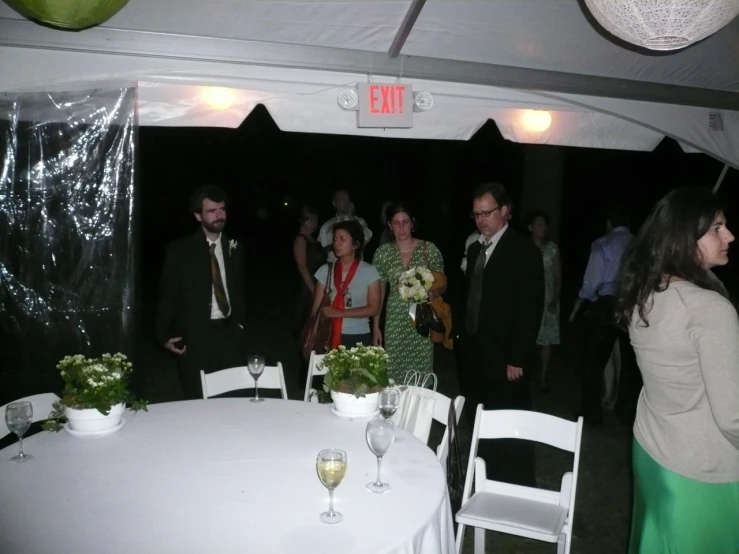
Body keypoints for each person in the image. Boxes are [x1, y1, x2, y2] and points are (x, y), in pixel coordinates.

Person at [616, 187, 739, 554]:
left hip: (653, 450)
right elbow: (733, 417)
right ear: (684, 238)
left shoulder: (647, 291)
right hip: (700, 470)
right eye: (716, 228)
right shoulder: (709, 310)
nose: (730, 235)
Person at [457, 183, 544, 487]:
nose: (481, 219)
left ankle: (515, 481)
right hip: (474, 350)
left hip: (507, 356)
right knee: (478, 414)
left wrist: (518, 357)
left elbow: (531, 309)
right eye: (476, 214)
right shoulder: (474, 248)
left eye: (487, 213)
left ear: (505, 211)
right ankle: (484, 475)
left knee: (510, 418)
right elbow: (472, 298)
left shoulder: (525, 251)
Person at [155, 185, 247, 399]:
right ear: (198, 215)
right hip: (196, 338)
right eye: (212, 211)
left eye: (222, 209)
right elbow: (168, 295)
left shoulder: (235, 247)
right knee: (199, 401)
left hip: (230, 334)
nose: (219, 215)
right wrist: (163, 335)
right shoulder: (180, 250)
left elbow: (239, 289)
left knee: (236, 398)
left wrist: (240, 324)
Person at [570, 205, 634, 426]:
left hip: (607, 302)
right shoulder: (639, 245)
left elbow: (592, 280)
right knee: (629, 361)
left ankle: (591, 413)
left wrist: (581, 300)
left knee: (594, 360)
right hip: (632, 302)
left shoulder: (602, 244)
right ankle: (626, 411)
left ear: (609, 223)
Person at [372, 202, 445, 382]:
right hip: (395, 319)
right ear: (390, 225)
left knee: (421, 370)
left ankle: (419, 408)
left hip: (421, 316)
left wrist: (434, 293)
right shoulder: (382, 254)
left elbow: (443, 282)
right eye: (396, 223)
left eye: (405, 222)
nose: (401, 227)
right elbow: (379, 292)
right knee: (393, 371)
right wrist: (376, 326)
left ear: (412, 223)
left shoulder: (429, 249)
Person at [311, 220, 381, 348]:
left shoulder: (369, 271)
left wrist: (340, 313)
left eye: (342, 239)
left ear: (355, 245)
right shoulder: (325, 271)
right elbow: (315, 309)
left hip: (359, 334)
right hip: (328, 334)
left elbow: (374, 308)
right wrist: (313, 332)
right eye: (335, 239)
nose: (336, 243)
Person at [528, 211, 561, 391]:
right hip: (528, 298)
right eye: (538, 224)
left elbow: (557, 276)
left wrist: (555, 298)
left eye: (544, 224)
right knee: (527, 337)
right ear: (531, 227)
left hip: (547, 299)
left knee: (546, 341)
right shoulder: (524, 247)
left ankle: (542, 376)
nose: (542, 228)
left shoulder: (552, 249)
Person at [292, 205, 326, 336]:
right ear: (302, 221)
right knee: (305, 325)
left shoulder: (314, 240)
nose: (313, 224)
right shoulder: (301, 239)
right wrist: (313, 290)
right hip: (306, 287)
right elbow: (302, 267)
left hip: (317, 284)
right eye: (309, 220)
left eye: (315, 220)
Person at [317, 189, 373, 262]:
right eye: (343, 200)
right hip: (334, 268)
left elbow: (367, 237)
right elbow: (321, 249)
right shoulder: (327, 226)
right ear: (334, 203)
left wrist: (351, 217)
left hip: (356, 268)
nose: (347, 203)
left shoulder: (359, 221)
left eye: (348, 200)